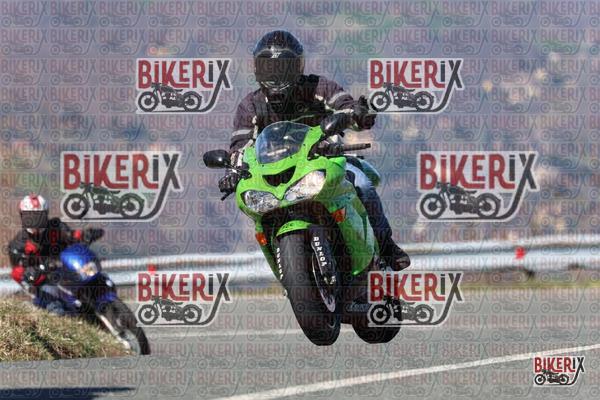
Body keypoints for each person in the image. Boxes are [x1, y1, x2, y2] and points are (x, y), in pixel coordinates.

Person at [218, 30, 410, 270]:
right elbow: (241, 145)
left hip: (324, 160)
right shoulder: (250, 106)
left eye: (283, 67)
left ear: (298, 67)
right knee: (256, 205)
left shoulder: (318, 87)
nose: (276, 75)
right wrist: (233, 171)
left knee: (362, 184)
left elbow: (344, 105)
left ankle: (387, 245)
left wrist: (358, 114)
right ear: (257, 69)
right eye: (269, 68)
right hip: (275, 174)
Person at [8, 194, 104, 315]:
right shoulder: (18, 245)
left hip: (68, 271)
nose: (34, 220)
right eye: (30, 216)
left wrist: (86, 235)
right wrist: (30, 273)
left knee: (97, 278)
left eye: (38, 216)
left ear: (46, 215)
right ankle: (65, 319)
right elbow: (17, 272)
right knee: (55, 307)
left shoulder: (56, 226)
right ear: (22, 217)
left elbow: (72, 236)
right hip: (45, 282)